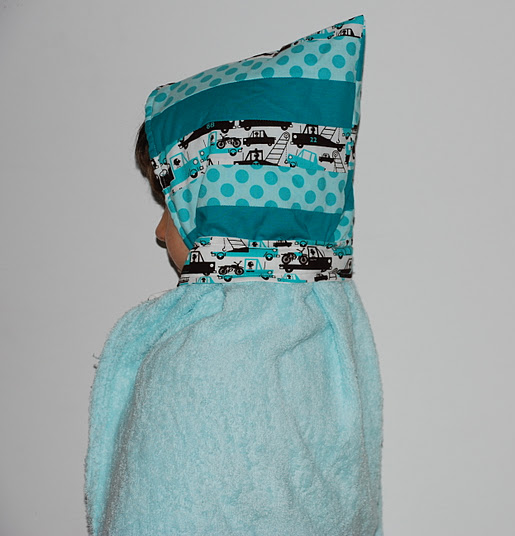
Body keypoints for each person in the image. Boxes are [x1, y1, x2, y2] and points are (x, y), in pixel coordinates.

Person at [84, 15, 383, 536]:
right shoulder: (325, 339)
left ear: (209, 201)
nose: (159, 231)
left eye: (170, 203)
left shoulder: (203, 360)